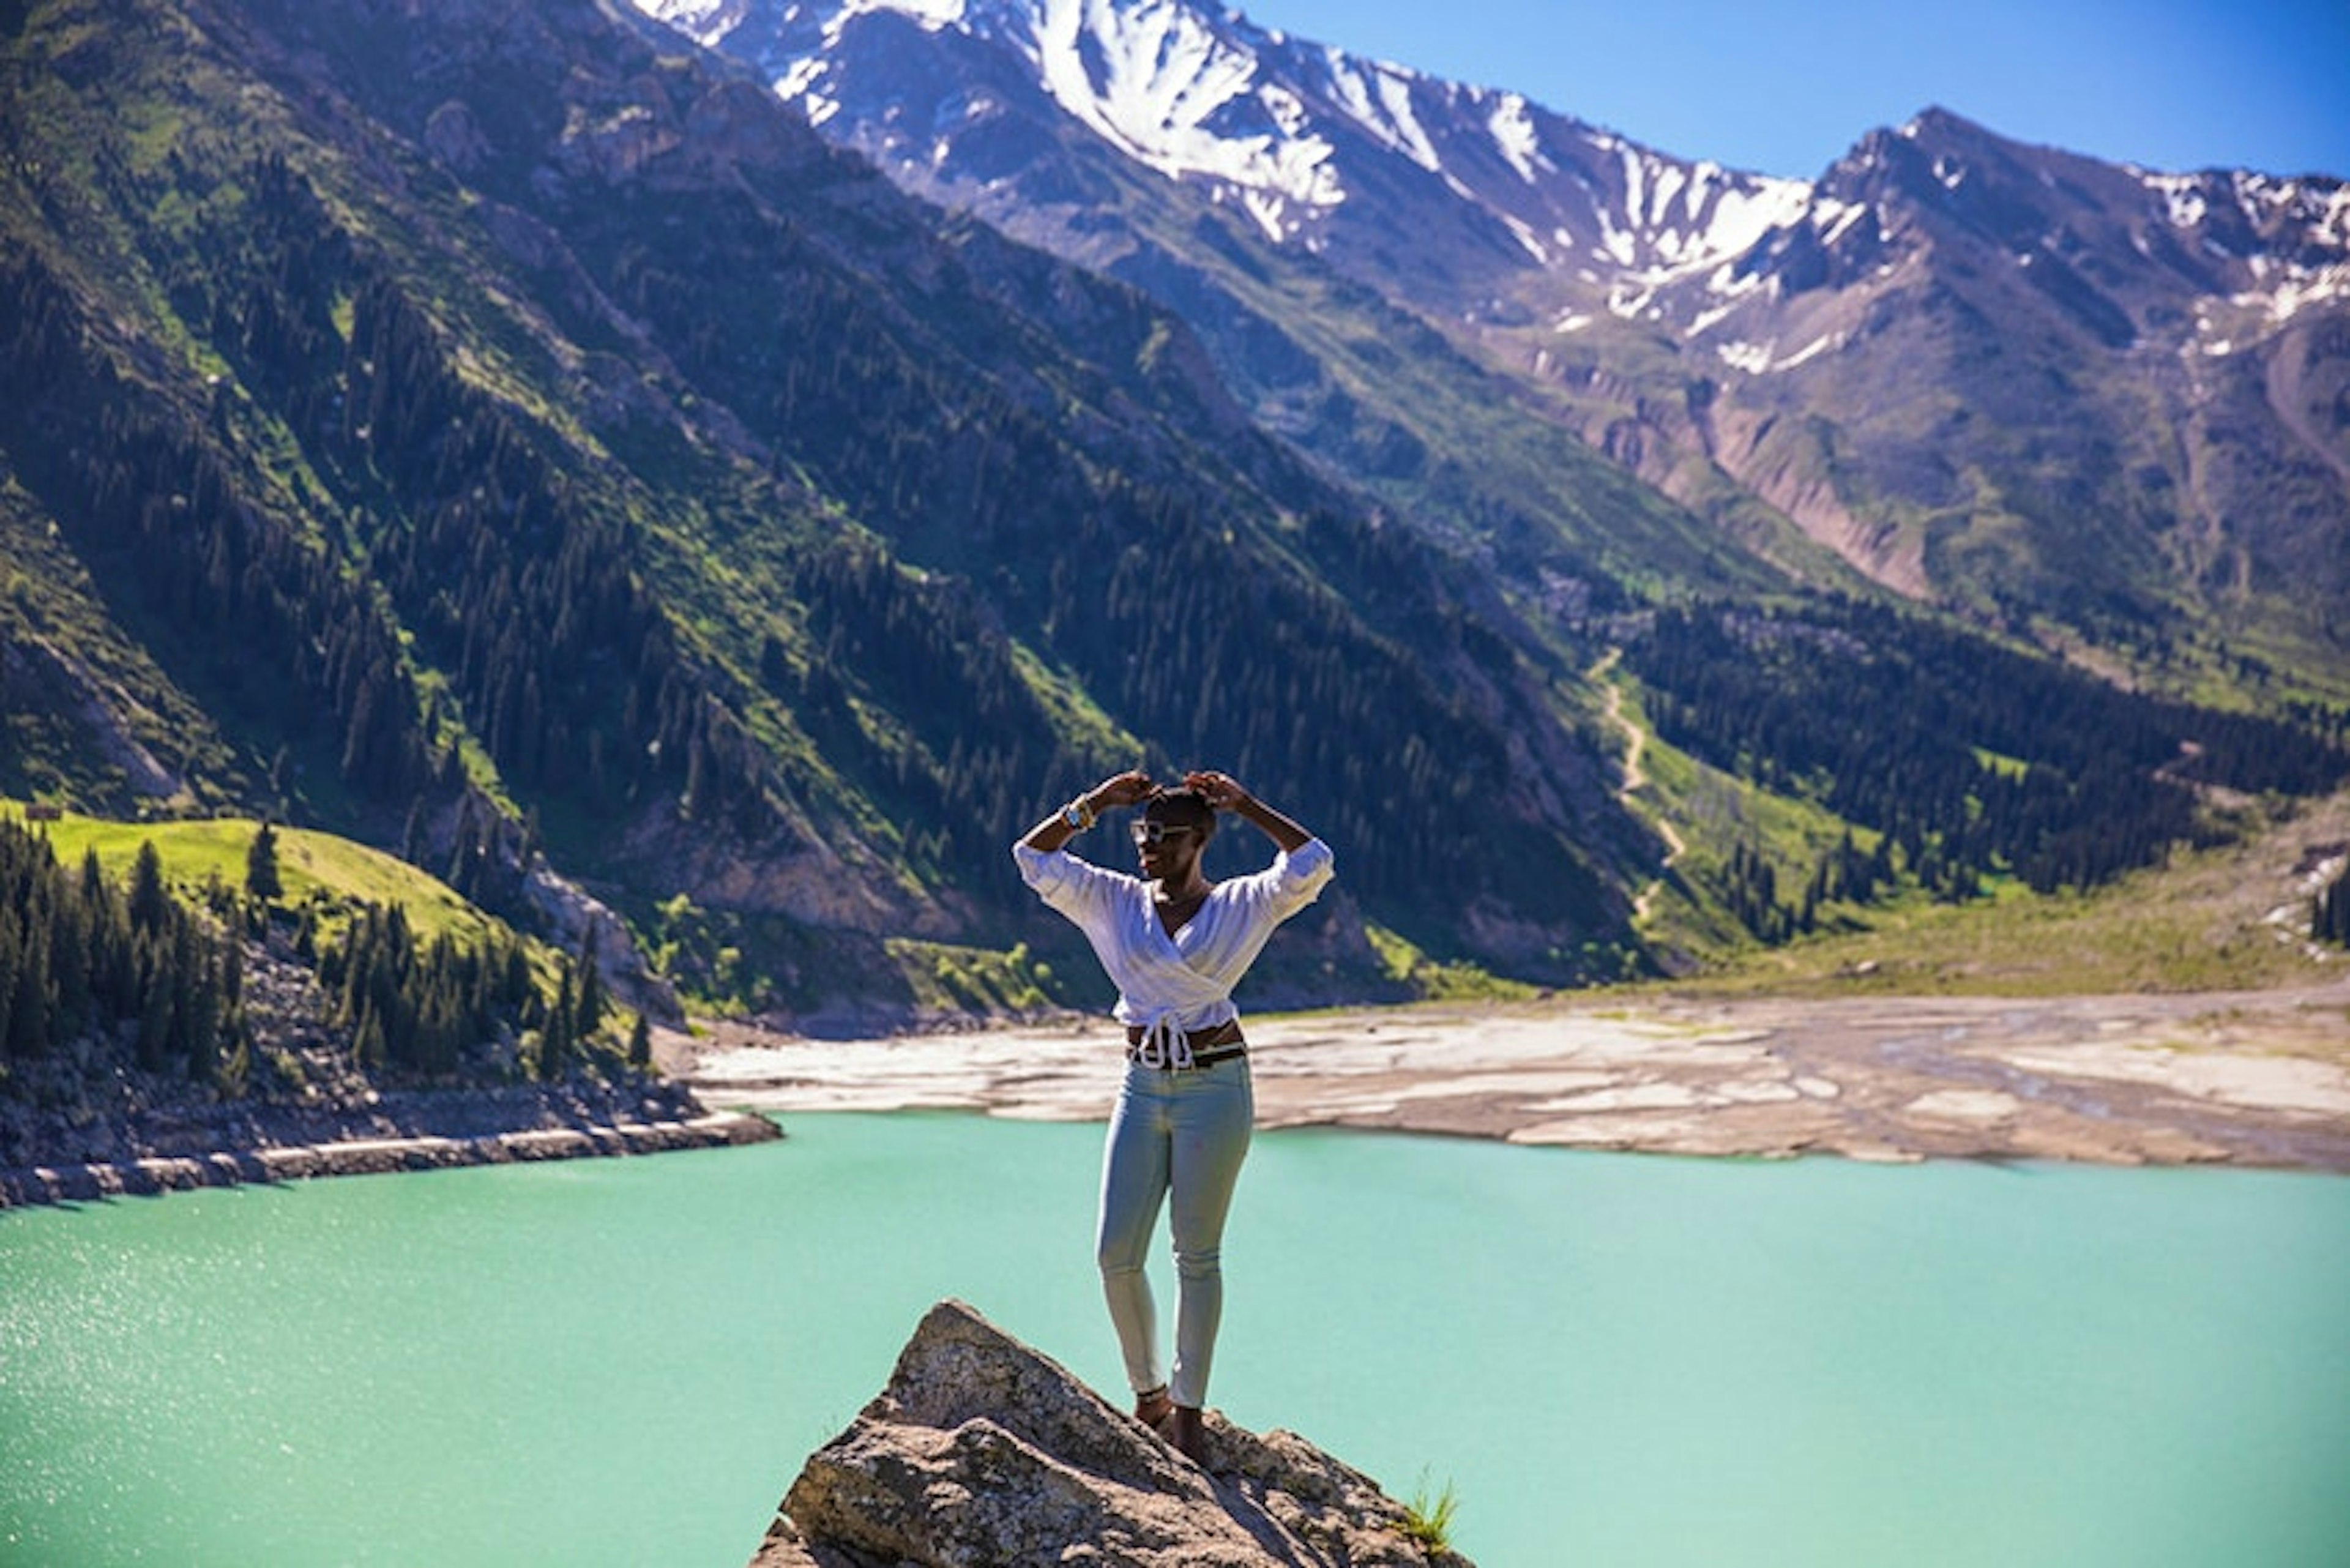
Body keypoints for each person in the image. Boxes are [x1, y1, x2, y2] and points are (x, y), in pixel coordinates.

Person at [1013, 767, 1334, 1466]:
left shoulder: (1245, 904)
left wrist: (1246, 804)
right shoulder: (1113, 900)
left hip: (1215, 1088)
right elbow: (1033, 858)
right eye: (1142, 834)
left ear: (1200, 841)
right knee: (1115, 1255)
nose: (1147, 847)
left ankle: (1187, 1414)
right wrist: (1095, 804)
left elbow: (1314, 863)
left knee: (1197, 1256)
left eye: (1163, 837)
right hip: (1140, 1084)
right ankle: (1148, 1394)